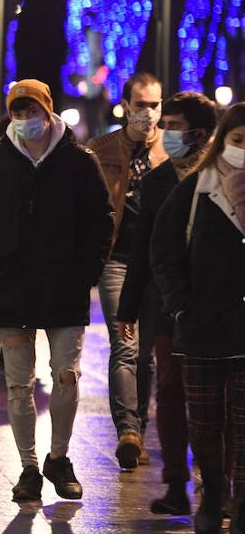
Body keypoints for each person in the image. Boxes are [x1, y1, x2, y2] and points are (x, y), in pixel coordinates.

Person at [0, 79, 113, 503]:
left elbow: (100, 219)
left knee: (67, 376)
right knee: (18, 384)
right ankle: (28, 467)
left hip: (63, 286)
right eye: (18, 111)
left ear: (48, 111)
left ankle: (59, 457)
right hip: (11, 286)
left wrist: (88, 270)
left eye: (32, 110)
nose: (25, 119)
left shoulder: (79, 161)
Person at [116, 91, 218, 517]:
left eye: (176, 126)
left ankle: (219, 485)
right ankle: (176, 481)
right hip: (165, 305)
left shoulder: (222, 178)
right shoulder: (158, 181)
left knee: (219, 398)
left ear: (202, 133)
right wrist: (128, 307)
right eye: (168, 124)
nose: (168, 133)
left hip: (216, 305)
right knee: (171, 391)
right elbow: (144, 250)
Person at [152, 102, 245, 534]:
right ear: (223, 141)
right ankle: (211, 493)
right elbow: (164, 250)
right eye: (238, 140)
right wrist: (180, 304)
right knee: (206, 422)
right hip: (201, 326)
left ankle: (241, 500)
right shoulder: (195, 190)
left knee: (244, 425)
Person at [85, 72, 167, 469]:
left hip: (156, 264)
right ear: (127, 106)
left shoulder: (171, 151)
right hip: (117, 261)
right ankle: (128, 431)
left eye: (155, 105)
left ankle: (141, 429)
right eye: (141, 105)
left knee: (148, 353)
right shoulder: (101, 149)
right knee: (126, 345)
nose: (148, 113)